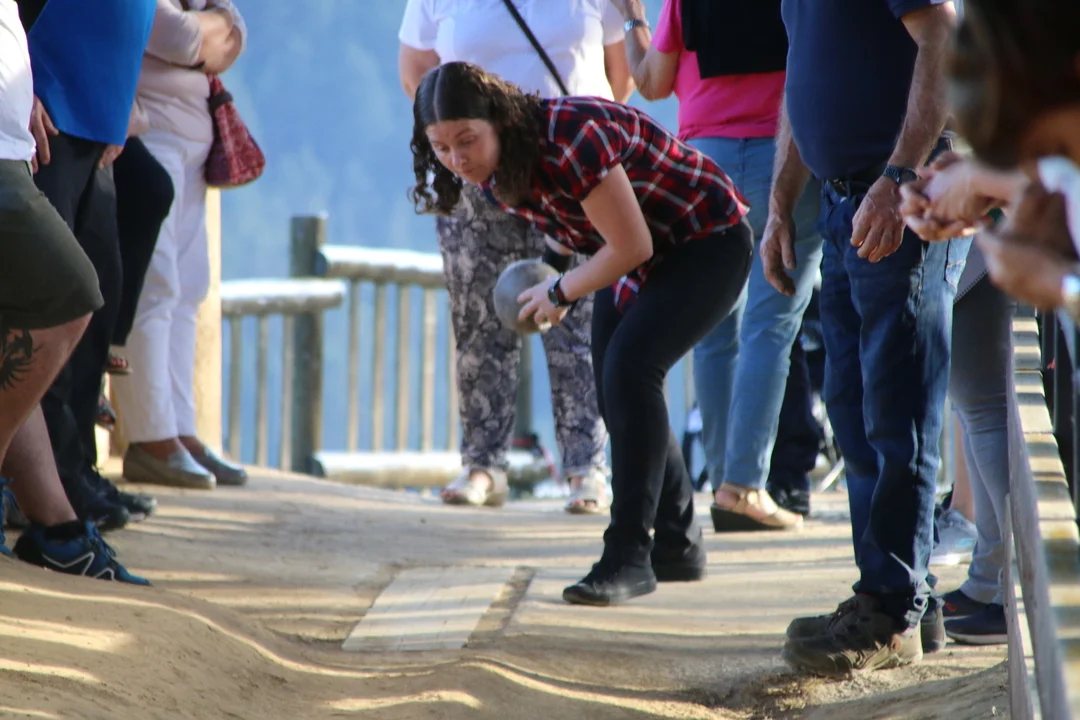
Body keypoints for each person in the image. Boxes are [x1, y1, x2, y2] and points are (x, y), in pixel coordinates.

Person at [410, 61, 752, 605]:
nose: (457, 159)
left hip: (706, 240)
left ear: (498, 119)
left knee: (632, 371)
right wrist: (553, 270)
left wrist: (560, 291)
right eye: (442, 147)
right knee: (615, 389)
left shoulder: (573, 138)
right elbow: (567, 213)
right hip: (646, 257)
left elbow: (631, 245)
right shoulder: (498, 169)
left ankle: (628, 556)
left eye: (467, 140)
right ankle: (678, 544)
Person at [769, 0, 965, 675]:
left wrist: (900, 174)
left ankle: (892, 608)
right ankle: (897, 594)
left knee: (895, 412)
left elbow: (943, 37)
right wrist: (779, 205)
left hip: (902, 197)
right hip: (842, 200)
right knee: (853, 410)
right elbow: (801, 78)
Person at [397, 0, 631, 513]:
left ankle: (587, 468)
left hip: (568, 165)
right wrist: (458, 143)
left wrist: (562, 135)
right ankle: (482, 465)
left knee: (580, 317)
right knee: (478, 316)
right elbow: (416, 71)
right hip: (475, 174)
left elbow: (621, 74)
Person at [609, 0, 821, 530]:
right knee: (772, 325)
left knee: (713, 330)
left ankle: (726, 477)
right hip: (786, 158)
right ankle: (741, 486)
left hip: (706, 165)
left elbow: (652, 82)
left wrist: (633, 19)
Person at [0, 0, 147, 584]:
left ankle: (58, 527)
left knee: (32, 318)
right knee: (65, 294)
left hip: (27, 122)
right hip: (38, 121)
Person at [112, 0, 249, 489]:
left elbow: (234, 35)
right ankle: (151, 435)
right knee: (156, 285)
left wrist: (215, 28)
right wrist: (213, 29)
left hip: (193, 140)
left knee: (189, 287)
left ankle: (180, 429)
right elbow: (180, 37)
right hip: (151, 134)